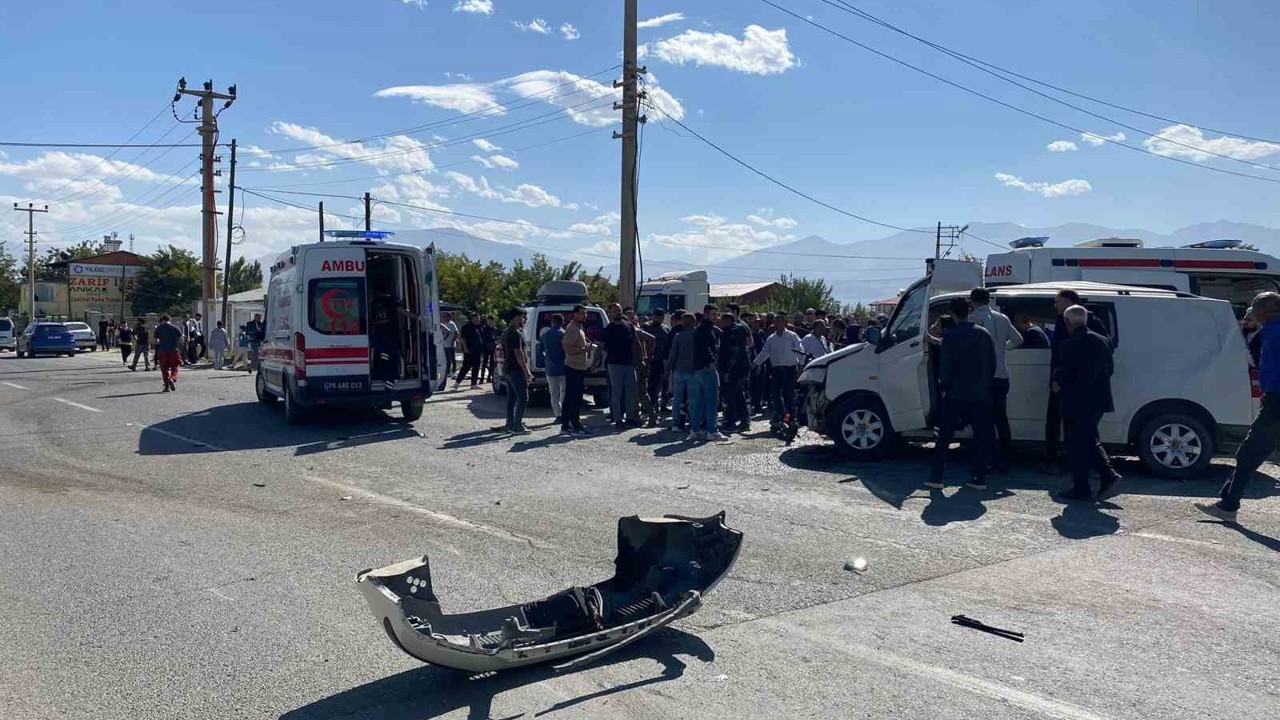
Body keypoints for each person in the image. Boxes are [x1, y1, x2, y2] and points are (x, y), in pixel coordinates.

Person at [1198, 292, 1280, 522]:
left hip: (1277, 401)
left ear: (1264, 311)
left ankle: (1228, 505)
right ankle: (1228, 503)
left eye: (1254, 308)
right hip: (1273, 397)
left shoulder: (1273, 332)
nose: (1251, 313)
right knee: (1252, 452)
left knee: (1249, 452)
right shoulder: (1268, 331)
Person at [1054, 304, 1121, 501]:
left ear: (1067, 322)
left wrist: (1057, 381)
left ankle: (1088, 484)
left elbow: (1065, 373)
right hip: (1099, 399)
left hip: (1076, 400)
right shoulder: (1103, 341)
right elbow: (1110, 370)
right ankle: (1104, 477)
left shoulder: (1070, 343)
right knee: (1089, 438)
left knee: (1076, 443)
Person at [929, 297, 996, 490]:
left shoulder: (951, 336)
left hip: (955, 394)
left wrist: (943, 387)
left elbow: (946, 368)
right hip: (981, 394)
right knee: (981, 437)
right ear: (968, 311)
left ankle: (936, 478)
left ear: (952, 313)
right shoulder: (984, 334)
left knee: (944, 437)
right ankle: (978, 478)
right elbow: (992, 364)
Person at [1044, 289, 1109, 473]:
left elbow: (1064, 356)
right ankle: (1081, 467)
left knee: (1078, 428)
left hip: (1071, 384)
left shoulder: (1084, 322)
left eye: (1058, 301)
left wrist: (1058, 379)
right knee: (1073, 426)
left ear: (1069, 302)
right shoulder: (1087, 324)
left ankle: (1082, 468)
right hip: (1076, 383)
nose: (1055, 305)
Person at [969, 288, 1024, 472]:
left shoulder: (973, 320)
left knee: (984, 421)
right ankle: (1005, 458)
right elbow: (1018, 339)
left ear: (972, 301)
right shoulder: (1002, 318)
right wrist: (1002, 349)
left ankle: (988, 458)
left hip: (983, 378)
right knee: (1001, 419)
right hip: (1002, 375)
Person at [753, 315, 804, 428]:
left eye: (778, 321)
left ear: (784, 322)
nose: (776, 324)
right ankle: (779, 416)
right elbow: (765, 352)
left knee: (789, 394)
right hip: (776, 370)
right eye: (775, 322)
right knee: (775, 394)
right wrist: (756, 363)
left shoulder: (792, 336)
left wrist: (801, 364)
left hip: (790, 369)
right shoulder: (771, 338)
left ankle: (791, 418)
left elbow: (800, 350)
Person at [600, 303, 639, 428]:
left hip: (629, 364)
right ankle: (617, 419)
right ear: (610, 313)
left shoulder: (629, 326)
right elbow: (600, 346)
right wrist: (595, 362)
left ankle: (630, 418)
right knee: (616, 392)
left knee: (631, 392)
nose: (618, 312)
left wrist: (641, 358)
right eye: (615, 310)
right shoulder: (607, 329)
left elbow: (636, 343)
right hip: (614, 364)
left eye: (619, 310)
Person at [693, 304, 727, 440]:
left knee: (700, 401)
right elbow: (704, 347)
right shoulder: (706, 329)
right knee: (712, 400)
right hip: (707, 368)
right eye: (713, 314)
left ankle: (695, 429)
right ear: (706, 314)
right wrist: (711, 361)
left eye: (716, 314)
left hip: (698, 369)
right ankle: (712, 430)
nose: (716, 317)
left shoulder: (701, 328)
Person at [718, 310, 752, 433]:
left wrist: (727, 371)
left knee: (731, 396)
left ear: (727, 321)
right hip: (742, 368)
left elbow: (733, 352)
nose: (720, 322)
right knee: (739, 395)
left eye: (722, 320)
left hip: (734, 370)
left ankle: (731, 422)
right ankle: (744, 422)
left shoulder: (731, 332)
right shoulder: (741, 329)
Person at [560, 305, 592, 435]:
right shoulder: (572, 328)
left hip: (579, 367)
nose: (584, 316)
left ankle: (566, 424)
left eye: (586, 313)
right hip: (573, 367)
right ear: (574, 314)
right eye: (582, 313)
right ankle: (575, 425)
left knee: (571, 396)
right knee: (574, 397)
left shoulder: (579, 328)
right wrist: (584, 350)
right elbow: (567, 348)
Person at [501, 309, 532, 434]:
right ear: (516, 317)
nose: (523, 320)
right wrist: (527, 371)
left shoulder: (507, 331)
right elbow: (518, 353)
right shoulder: (514, 333)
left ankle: (510, 422)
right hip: (516, 369)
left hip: (508, 368)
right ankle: (517, 426)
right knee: (524, 398)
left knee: (512, 397)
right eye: (522, 317)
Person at [667, 313, 698, 434]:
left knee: (677, 399)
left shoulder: (678, 336)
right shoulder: (696, 335)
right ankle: (693, 423)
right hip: (693, 371)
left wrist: (668, 368)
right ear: (694, 322)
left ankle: (676, 423)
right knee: (692, 399)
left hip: (679, 370)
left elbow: (672, 354)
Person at [541, 314, 567, 424]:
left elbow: (540, 350)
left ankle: (558, 415)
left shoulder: (545, 335)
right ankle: (565, 413)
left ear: (552, 322)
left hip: (550, 368)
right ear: (562, 322)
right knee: (564, 392)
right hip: (564, 367)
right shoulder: (564, 334)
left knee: (554, 393)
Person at [646, 309, 671, 414]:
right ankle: (651, 406)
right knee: (651, 385)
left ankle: (663, 405)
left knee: (664, 384)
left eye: (660, 317)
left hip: (663, 360)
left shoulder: (666, 329)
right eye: (656, 317)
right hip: (650, 360)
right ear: (653, 316)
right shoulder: (646, 327)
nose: (658, 319)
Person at [154, 315, 183, 392]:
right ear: (169, 320)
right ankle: (172, 379)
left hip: (162, 350)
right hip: (173, 350)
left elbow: (156, 340)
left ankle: (166, 386)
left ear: (163, 320)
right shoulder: (175, 327)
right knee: (175, 366)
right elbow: (181, 339)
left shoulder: (158, 328)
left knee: (164, 369)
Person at [455, 313, 484, 389]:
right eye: (477, 319)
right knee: (466, 367)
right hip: (469, 350)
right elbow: (463, 338)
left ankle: (473, 384)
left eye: (479, 319)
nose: (478, 320)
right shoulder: (466, 327)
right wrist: (465, 348)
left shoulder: (479, 327)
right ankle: (457, 382)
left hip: (477, 350)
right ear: (472, 318)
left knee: (476, 367)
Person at [439, 311, 459, 382]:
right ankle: (448, 372)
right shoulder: (444, 323)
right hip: (445, 344)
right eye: (443, 317)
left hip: (450, 344)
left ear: (448, 317)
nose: (443, 318)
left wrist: (453, 341)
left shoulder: (451, 324)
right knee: (447, 359)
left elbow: (456, 333)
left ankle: (454, 371)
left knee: (452, 358)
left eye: (445, 316)